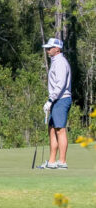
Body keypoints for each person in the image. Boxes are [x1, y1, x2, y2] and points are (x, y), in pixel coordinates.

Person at [41, 37, 72, 170]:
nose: (47, 50)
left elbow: (60, 85)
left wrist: (50, 100)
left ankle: (62, 161)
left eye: (49, 48)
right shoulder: (55, 61)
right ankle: (52, 161)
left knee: (60, 130)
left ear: (57, 49)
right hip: (56, 100)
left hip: (61, 99)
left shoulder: (60, 62)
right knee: (52, 129)